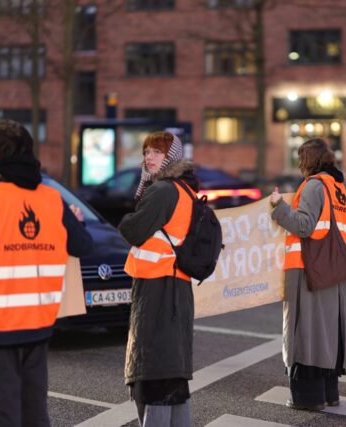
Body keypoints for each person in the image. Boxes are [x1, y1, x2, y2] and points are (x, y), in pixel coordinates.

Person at [0, 119, 93, 426]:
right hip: (39, 325)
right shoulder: (52, 200)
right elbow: (82, 245)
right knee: (34, 413)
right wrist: (75, 222)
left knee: (2, 416)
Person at [119, 131, 196, 427]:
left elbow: (133, 230)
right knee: (172, 372)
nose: (148, 157)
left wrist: (125, 218)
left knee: (154, 372)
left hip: (158, 290)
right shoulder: (183, 189)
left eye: (156, 152)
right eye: (146, 152)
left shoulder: (163, 191)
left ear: (171, 157)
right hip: (175, 289)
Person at [270, 138, 346, 410]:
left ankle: (309, 398)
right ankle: (330, 393)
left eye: (301, 158)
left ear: (309, 160)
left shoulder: (314, 185)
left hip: (310, 269)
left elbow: (304, 226)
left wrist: (278, 207)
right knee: (329, 331)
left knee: (307, 330)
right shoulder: (339, 187)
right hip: (335, 268)